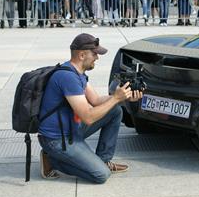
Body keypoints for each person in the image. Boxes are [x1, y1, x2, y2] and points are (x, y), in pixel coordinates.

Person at [38, 33, 143, 183]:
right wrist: (115, 98)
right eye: (94, 54)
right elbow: (88, 116)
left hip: (72, 130)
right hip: (56, 140)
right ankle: (52, 159)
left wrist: (123, 97)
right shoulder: (67, 77)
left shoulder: (78, 73)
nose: (97, 58)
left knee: (115, 110)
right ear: (81, 55)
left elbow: (96, 100)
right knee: (101, 175)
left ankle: (104, 159)